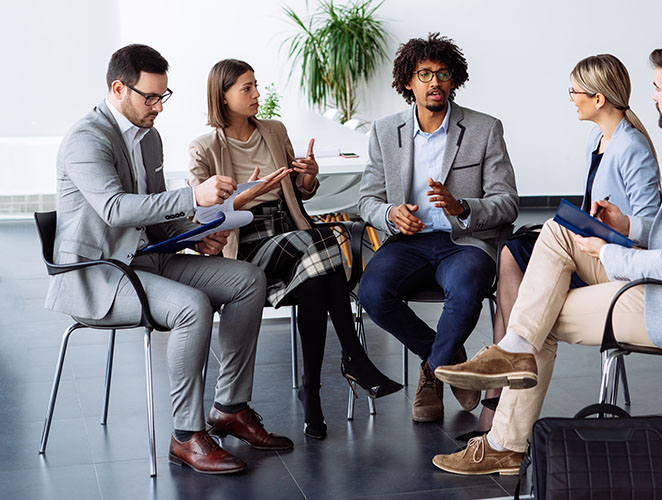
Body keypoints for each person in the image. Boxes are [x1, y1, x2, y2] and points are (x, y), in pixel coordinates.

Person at [431, 43, 662, 475]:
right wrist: (628, 226)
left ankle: (504, 440)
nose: (652, 97)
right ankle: (512, 358)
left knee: (540, 318)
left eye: (657, 87)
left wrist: (609, 251)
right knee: (558, 232)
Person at [46, 44, 293, 475]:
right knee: (190, 307)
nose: (159, 106)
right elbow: (116, 209)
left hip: (145, 259)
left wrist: (196, 237)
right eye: (150, 97)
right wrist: (193, 196)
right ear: (118, 88)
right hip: (100, 272)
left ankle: (230, 407)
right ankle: (185, 435)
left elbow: (155, 215)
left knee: (248, 279)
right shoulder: (86, 139)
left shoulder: (149, 137)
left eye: (164, 96)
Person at [187, 59, 402, 440]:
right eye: (246, 88)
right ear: (223, 96)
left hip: (293, 234)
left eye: (257, 85)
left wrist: (308, 177)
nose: (257, 94)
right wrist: (241, 197)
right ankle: (354, 358)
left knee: (318, 281)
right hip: (248, 241)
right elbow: (201, 215)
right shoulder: (203, 148)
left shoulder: (274, 130)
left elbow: (298, 192)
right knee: (324, 243)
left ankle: (313, 395)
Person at [465, 54, 662, 440]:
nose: (571, 98)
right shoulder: (598, 138)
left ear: (599, 98)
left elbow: (653, 228)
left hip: (619, 261)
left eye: (574, 91)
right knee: (514, 251)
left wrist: (617, 223)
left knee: (530, 268)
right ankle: (506, 372)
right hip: (592, 248)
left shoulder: (632, 147)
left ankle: (504, 383)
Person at [357, 33, 519, 423]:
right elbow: (367, 201)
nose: (434, 82)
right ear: (408, 82)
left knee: (466, 291)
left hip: (464, 242)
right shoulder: (384, 132)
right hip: (408, 242)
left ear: (453, 79)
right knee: (372, 294)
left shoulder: (484, 129)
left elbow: (508, 202)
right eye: (424, 74)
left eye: (442, 74)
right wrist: (392, 213)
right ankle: (447, 357)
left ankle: (431, 373)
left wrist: (462, 206)